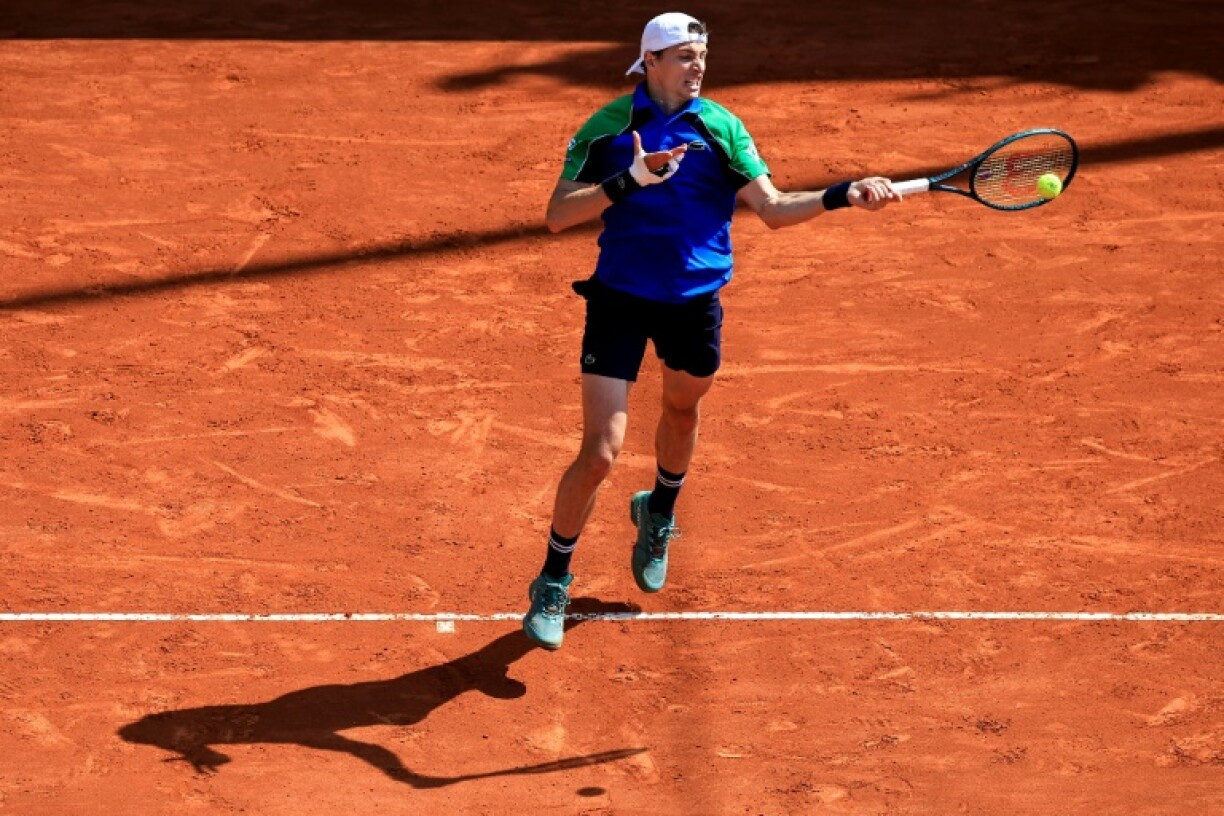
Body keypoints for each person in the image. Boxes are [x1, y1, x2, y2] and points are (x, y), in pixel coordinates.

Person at [523, 12, 900, 649]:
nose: (698, 66)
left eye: (701, 54)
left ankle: (659, 509)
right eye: (684, 56)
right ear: (650, 63)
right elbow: (558, 215)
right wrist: (632, 179)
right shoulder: (610, 127)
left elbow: (774, 210)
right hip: (618, 298)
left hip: (693, 302)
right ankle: (553, 577)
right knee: (601, 452)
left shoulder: (721, 127)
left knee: (681, 407)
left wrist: (843, 194)